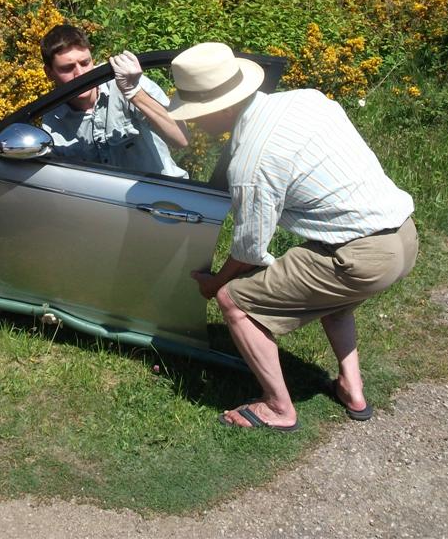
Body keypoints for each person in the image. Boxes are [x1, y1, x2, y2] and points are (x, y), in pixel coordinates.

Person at [166, 42, 418, 431]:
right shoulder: (306, 99)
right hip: (404, 237)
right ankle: (352, 388)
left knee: (234, 301)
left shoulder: (253, 161)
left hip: (361, 257)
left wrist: (214, 284)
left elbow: (249, 250)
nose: (195, 122)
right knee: (332, 295)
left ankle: (278, 409)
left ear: (224, 109)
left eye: (196, 112)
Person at [39, 23, 189, 178]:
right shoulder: (52, 121)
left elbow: (181, 139)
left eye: (85, 63)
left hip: (161, 189)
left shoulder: (125, 80)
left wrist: (134, 93)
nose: (80, 74)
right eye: (67, 68)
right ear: (49, 73)